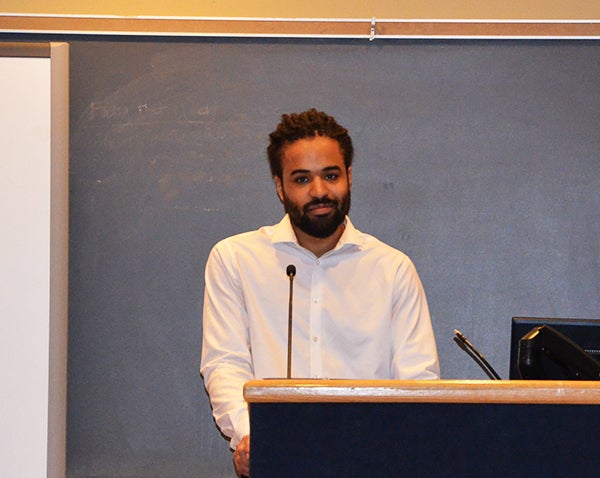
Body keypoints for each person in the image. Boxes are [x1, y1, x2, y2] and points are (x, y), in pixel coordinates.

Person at [200, 108, 440, 477]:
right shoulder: (235, 259)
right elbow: (225, 363)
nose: (319, 191)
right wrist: (254, 437)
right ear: (279, 186)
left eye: (331, 175)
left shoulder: (392, 269)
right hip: (277, 461)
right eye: (301, 179)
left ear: (349, 177)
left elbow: (419, 383)